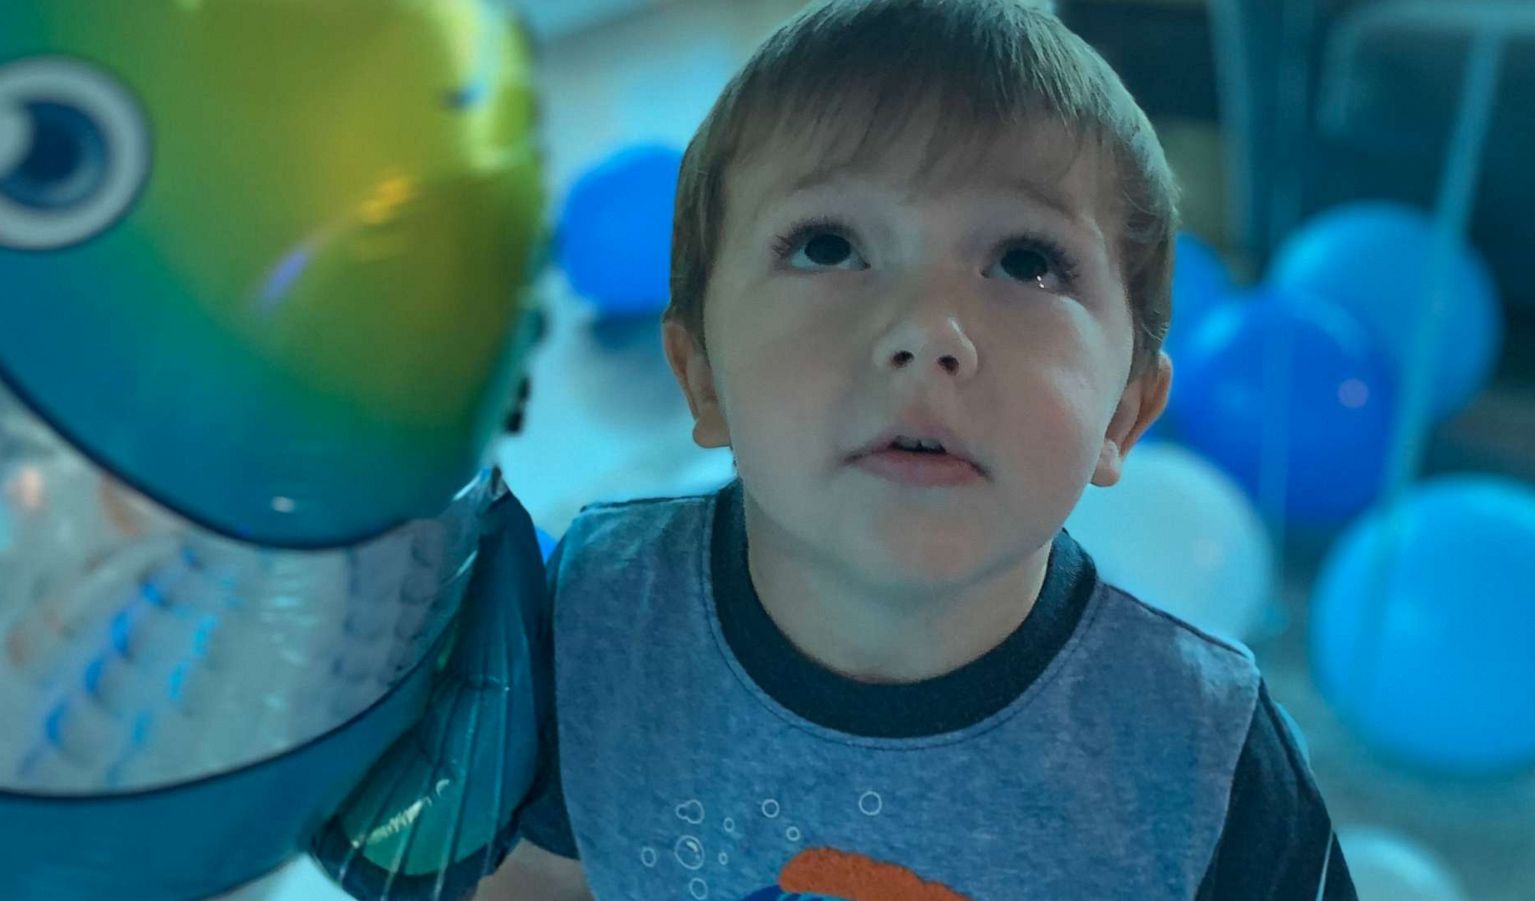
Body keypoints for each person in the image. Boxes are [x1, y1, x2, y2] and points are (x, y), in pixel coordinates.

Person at [482, 0, 1358, 897]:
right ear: (702, 376)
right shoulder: (599, 613)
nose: (928, 330)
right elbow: (540, 873)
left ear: (1123, 416)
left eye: (1025, 261)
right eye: (830, 245)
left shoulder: (1202, 752)